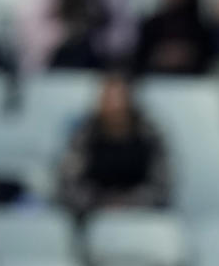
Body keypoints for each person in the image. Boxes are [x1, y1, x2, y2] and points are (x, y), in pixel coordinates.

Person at [57, 72, 170, 218]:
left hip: (142, 217)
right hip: (91, 215)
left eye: (118, 98)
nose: (113, 105)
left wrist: (130, 204)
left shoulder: (149, 134)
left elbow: (162, 182)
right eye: (107, 97)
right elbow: (68, 181)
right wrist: (100, 204)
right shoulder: (85, 134)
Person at [133, 0, 214, 75]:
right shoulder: (152, 24)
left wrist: (187, 55)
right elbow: (139, 57)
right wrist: (160, 56)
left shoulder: (200, 26)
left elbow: (207, 59)